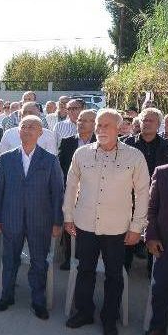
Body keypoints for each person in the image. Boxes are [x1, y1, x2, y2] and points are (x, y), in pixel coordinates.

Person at [63, 109, 150, 335]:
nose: (101, 130)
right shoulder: (82, 153)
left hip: (117, 228)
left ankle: (109, 319)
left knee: (114, 275)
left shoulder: (134, 157)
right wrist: (68, 216)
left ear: (119, 129)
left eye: (106, 126)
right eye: (99, 125)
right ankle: (84, 312)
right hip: (85, 224)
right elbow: (71, 186)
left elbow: (143, 193)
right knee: (85, 270)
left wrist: (136, 227)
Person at [0, 115, 65, 319]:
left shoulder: (50, 160)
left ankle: (38, 301)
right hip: (11, 218)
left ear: (40, 133)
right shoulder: (6, 158)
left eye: (32, 127)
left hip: (39, 220)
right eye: (23, 126)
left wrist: (57, 221)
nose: (27, 130)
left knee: (39, 262)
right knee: (10, 259)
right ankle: (7, 296)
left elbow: (57, 192)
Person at [122, 108, 168, 272]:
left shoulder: (167, 146)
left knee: (156, 232)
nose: (146, 123)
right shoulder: (127, 144)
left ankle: (152, 269)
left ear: (158, 124)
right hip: (130, 196)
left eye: (150, 120)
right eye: (144, 120)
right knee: (129, 232)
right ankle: (125, 266)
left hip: (158, 198)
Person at [57, 109, 96, 270]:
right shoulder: (67, 142)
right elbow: (60, 166)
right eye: (79, 120)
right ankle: (69, 256)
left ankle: (88, 257)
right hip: (72, 190)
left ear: (95, 124)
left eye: (85, 120)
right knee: (70, 223)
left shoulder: (101, 143)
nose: (81, 123)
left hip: (94, 192)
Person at [143, 161, 168, 335]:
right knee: (162, 284)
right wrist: (152, 236)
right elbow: (151, 209)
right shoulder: (163, 173)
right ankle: (158, 326)